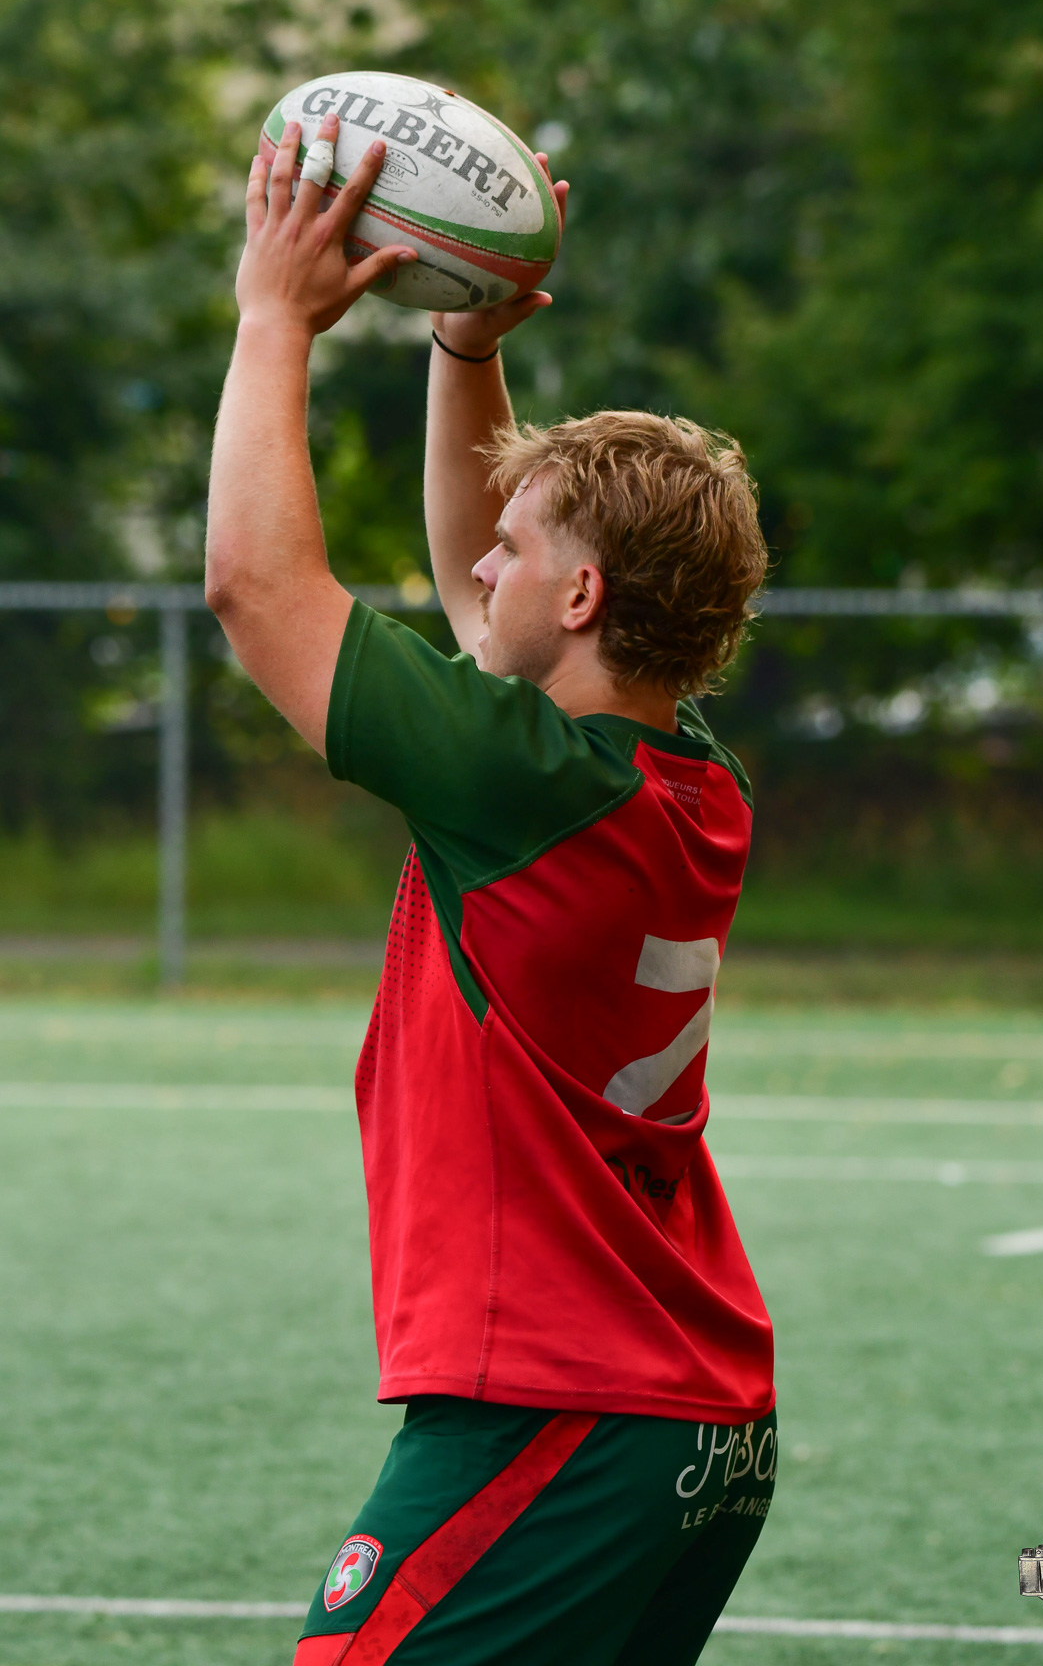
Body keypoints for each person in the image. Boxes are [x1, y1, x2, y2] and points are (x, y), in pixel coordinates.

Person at [205, 109, 776, 1666]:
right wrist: (465, 354)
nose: (476, 569)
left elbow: (258, 592)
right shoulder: (677, 775)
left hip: (557, 1414)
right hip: (688, 1417)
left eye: (513, 551)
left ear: (582, 596)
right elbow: (495, 601)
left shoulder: (520, 783)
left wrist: (275, 319)